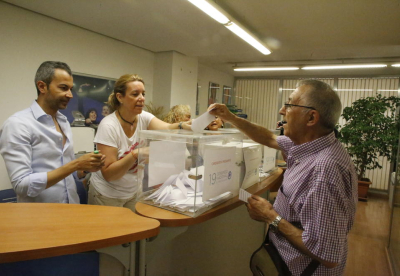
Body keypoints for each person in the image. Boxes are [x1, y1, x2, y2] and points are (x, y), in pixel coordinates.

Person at [209, 80, 357, 275]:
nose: (281, 110)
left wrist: (271, 217)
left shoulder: (324, 170)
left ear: (311, 117)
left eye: (289, 104)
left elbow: (327, 255)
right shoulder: (307, 145)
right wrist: (230, 118)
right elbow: (268, 137)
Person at [0, 61, 105, 203]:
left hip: (71, 209)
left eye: (70, 89)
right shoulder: (18, 124)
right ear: (42, 86)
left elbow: (64, 171)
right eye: (63, 88)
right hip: (39, 217)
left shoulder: (64, 122)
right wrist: (76, 164)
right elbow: (21, 185)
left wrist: (83, 169)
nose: (70, 95)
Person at [88, 74, 191, 211]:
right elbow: (109, 174)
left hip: (133, 192)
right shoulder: (108, 126)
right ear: (120, 97)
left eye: (143, 93)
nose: (141, 98)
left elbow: (167, 129)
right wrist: (136, 154)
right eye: (135, 94)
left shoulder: (144, 117)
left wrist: (182, 125)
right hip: (107, 195)